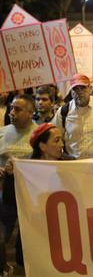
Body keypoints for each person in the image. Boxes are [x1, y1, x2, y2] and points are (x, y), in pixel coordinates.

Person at [0, 95, 37, 276]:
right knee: (2, 237)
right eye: (11, 108)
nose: (12, 113)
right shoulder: (2, 132)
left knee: (26, 244)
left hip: (30, 200)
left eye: (18, 109)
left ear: (31, 112)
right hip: (5, 197)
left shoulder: (39, 134)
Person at [52, 74, 93, 159]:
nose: (79, 92)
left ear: (90, 89)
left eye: (83, 88)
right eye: (75, 89)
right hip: (74, 165)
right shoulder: (63, 112)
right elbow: (55, 139)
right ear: (71, 92)